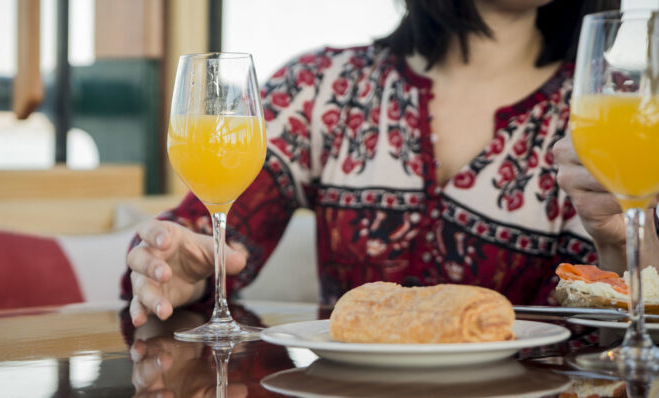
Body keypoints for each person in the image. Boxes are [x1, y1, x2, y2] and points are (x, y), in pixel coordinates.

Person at [123, 0, 644, 326]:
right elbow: (202, 234)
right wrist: (174, 271)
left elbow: (625, 341)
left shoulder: (622, 111)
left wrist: (623, 244)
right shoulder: (321, 86)